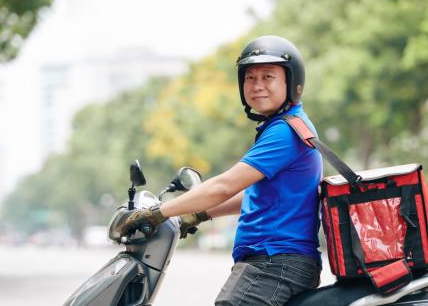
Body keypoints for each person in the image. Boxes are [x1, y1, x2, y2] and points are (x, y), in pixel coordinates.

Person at [120, 35, 323, 306]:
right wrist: (199, 214)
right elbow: (255, 196)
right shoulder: (282, 126)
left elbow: (223, 186)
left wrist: (157, 213)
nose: (257, 85)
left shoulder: (285, 132)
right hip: (275, 261)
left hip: (275, 263)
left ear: (291, 82)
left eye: (268, 76)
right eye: (250, 78)